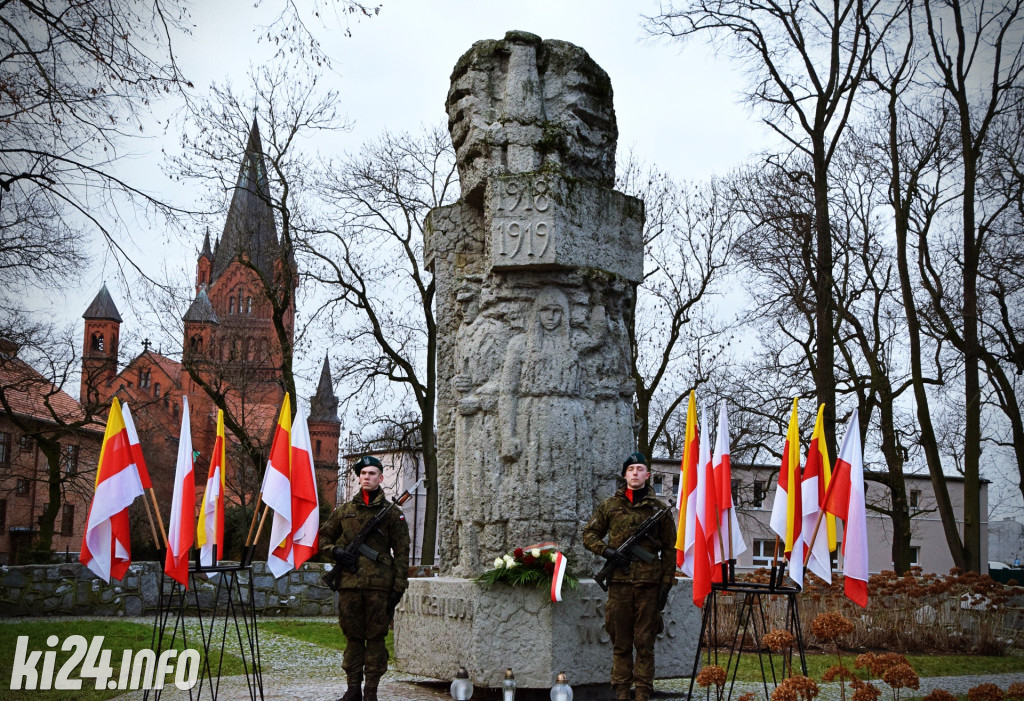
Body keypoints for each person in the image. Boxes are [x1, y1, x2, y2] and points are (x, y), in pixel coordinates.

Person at [583, 451, 677, 701]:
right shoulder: (610, 506)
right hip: (619, 584)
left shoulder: (659, 509)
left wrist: (666, 585)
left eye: (640, 469)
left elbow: (669, 549)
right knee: (620, 643)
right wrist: (609, 553)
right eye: (631, 469)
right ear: (625, 475)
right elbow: (589, 535)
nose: (635, 473)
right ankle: (622, 693)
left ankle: (643, 693)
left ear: (647, 474)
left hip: (649, 585)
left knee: (645, 643)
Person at [319, 455, 410, 701]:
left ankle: (371, 691)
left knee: (376, 639)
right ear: (358, 478)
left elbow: (402, 552)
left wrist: (399, 586)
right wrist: (336, 552)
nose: (366, 477)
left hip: (380, 586)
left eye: (371, 473)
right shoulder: (344, 511)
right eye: (363, 474)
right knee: (353, 638)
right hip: (349, 584)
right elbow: (322, 539)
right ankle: (352, 690)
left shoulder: (392, 513)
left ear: (380, 478)